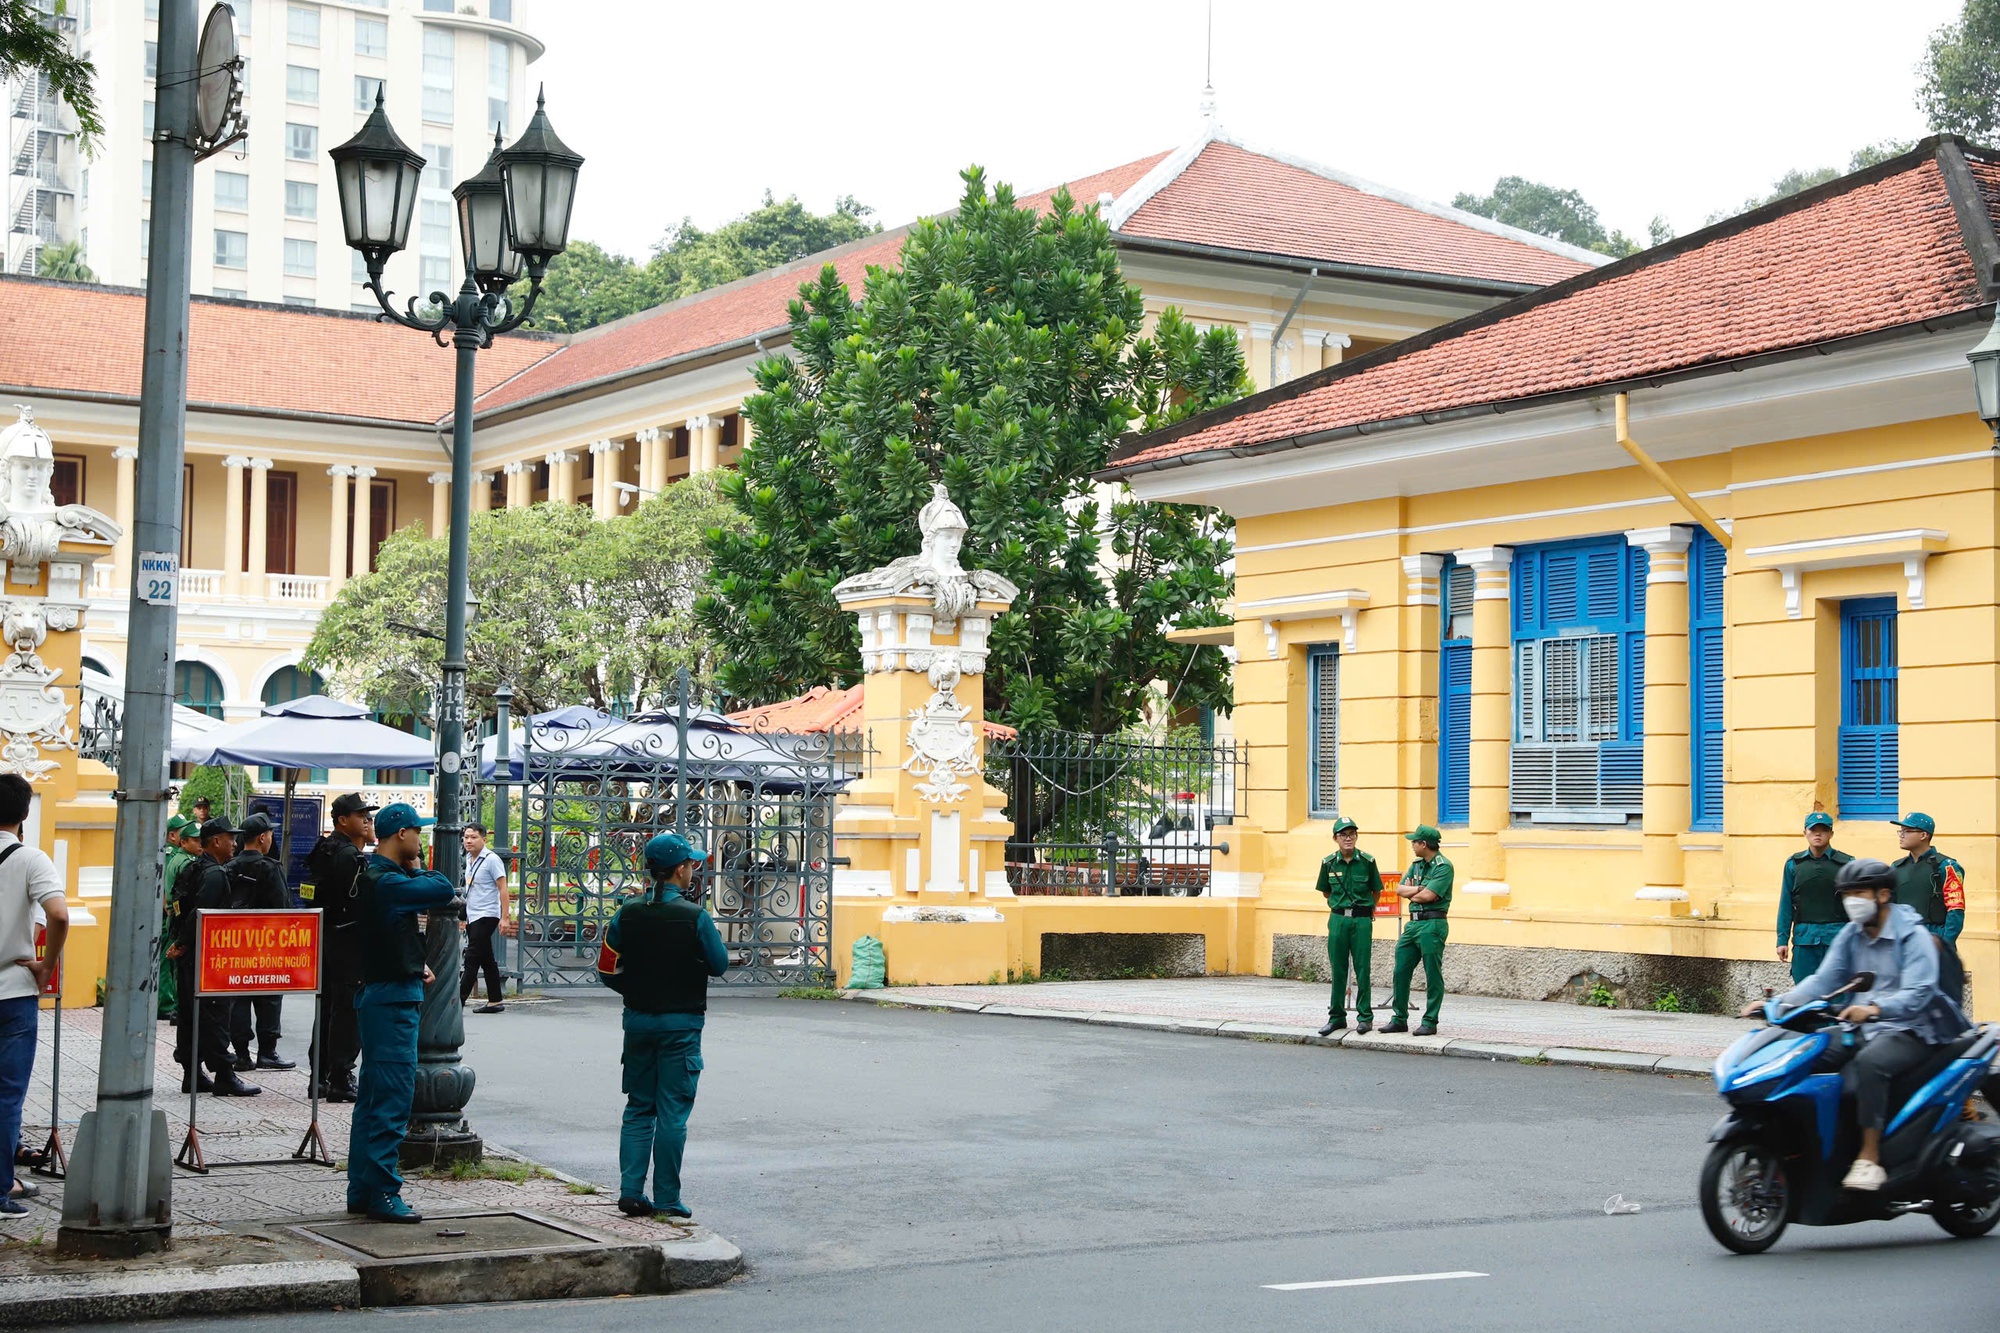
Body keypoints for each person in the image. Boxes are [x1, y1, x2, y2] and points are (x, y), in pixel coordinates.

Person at [1742, 858, 1968, 1191]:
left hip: (1914, 1028)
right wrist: (1777, 1004)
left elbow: (1919, 993)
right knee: (1806, 1051)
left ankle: (1869, 1157)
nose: (1852, 901)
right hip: (1863, 1026)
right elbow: (1824, 980)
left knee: (1870, 1065)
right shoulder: (1851, 934)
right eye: (1847, 894)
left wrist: (1875, 1009)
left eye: (1859, 892)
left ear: (1883, 895)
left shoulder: (1913, 936)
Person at [597, 833, 727, 1219]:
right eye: (691, 864)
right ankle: (667, 1198)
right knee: (673, 1111)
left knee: (639, 1106)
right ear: (680, 870)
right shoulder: (695, 917)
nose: (693, 870)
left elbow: (606, 968)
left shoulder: (627, 912)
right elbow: (719, 965)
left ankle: (631, 1192)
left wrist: (632, 988)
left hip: (637, 1022)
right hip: (682, 1025)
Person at [347, 801, 455, 1224]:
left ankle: (362, 1188)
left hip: (382, 991)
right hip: (392, 1001)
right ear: (400, 835)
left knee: (372, 1100)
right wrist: (417, 868)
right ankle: (383, 1192)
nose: (421, 839)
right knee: (392, 1099)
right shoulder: (390, 880)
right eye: (417, 832)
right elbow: (443, 887)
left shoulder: (374, 875)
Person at [0, 774, 64, 1218]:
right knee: (6, 1096)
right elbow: (58, 913)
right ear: (25, 814)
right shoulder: (31, 859)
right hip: (12, 992)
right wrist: (47, 964)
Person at [168, 817, 261, 1097]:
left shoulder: (194, 868)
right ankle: (224, 1074)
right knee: (215, 1013)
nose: (235, 844)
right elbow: (201, 916)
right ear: (216, 841)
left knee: (190, 1014)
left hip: (190, 956)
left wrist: (179, 943)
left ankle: (192, 1073)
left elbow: (178, 908)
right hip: (208, 958)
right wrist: (183, 943)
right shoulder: (214, 874)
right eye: (230, 839)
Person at [305, 794, 374, 1103]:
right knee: (347, 1013)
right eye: (361, 816)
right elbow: (360, 902)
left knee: (327, 1010)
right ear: (343, 820)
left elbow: (310, 893)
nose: (367, 821)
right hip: (347, 941)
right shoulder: (349, 855)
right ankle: (341, 1078)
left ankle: (319, 1077)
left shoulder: (323, 848)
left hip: (325, 937)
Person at [224, 812, 296, 1072]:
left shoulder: (229, 867)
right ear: (263, 837)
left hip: (235, 946)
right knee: (270, 997)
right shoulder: (270, 867)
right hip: (267, 945)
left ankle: (242, 1054)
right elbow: (283, 908)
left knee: (239, 998)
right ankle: (267, 1052)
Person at [1382, 824, 1453, 1037]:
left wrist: (1417, 892)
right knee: (1400, 970)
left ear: (1424, 844)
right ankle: (1399, 1018)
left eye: (1414, 842)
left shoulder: (1443, 866)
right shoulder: (1417, 865)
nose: (1412, 845)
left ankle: (1430, 1021)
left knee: (1432, 973)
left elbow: (1427, 897)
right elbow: (1399, 889)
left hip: (1432, 924)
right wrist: (1419, 889)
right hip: (1412, 924)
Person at [1313, 817, 1377, 1037]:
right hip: (1338, 919)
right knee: (1338, 969)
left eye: (1352, 834)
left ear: (1356, 837)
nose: (1348, 838)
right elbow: (1326, 891)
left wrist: (1365, 911)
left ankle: (1365, 1017)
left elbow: (1375, 890)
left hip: (1361, 921)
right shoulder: (1328, 863)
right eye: (1343, 835)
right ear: (1335, 838)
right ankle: (1337, 1017)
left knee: (1362, 968)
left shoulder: (1367, 861)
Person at [1775, 812, 1852, 984]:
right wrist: (1782, 940)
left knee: (1837, 994)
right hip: (1805, 940)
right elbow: (1786, 903)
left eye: (1824, 830)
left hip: (1837, 938)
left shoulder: (1846, 863)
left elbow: (1855, 904)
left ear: (1831, 834)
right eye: (1813, 830)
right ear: (1805, 832)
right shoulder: (1794, 864)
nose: (1818, 834)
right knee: (1804, 992)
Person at [1889, 813, 1965, 944]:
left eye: (1907, 831)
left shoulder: (1946, 866)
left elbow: (1956, 910)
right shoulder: (1896, 867)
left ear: (1923, 835)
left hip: (1934, 938)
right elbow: (1890, 906)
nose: (1901, 835)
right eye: (1900, 831)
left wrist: (1945, 942)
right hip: (1903, 940)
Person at [460, 824, 508, 1014]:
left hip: (487, 914)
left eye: (473, 837)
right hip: (473, 914)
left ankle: (457, 1001)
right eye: (466, 837)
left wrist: (505, 917)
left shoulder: (491, 860)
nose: (468, 841)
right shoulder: (469, 859)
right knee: (486, 958)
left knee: (471, 958)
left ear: (484, 840)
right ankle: (495, 1000)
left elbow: (503, 888)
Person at [158, 814, 194, 1024]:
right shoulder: (171, 855)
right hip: (168, 916)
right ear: (173, 836)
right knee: (166, 960)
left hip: (168, 917)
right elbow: (166, 890)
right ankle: (165, 1004)